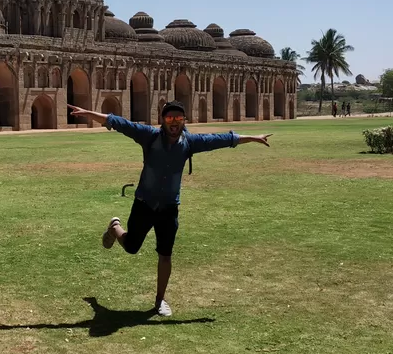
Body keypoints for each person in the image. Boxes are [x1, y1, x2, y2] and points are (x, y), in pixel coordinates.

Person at [66, 100, 272, 317]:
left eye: (178, 118)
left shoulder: (190, 142)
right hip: (144, 204)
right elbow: (118, 122)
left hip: (169, 208)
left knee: (165, 254)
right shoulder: (149, 136)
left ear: (184, 121)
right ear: (163, 120)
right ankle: (114, 228)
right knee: (131, 247)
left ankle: (159, 300)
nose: (174, 122)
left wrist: (253, 138)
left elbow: (221, 139)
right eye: (170, 118)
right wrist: (88, 113)